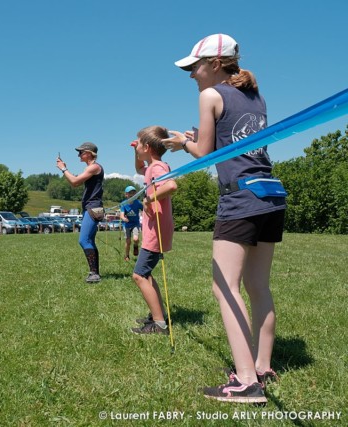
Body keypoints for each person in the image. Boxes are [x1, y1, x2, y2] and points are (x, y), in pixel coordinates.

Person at [164, 34, 286, 403]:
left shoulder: (209, 95)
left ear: (216, 63)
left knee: (224, 287)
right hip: (271, 194)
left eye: (194, 66)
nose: (190, 75)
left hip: (241, 197)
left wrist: (180, 143)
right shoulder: (255, 95)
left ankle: (247, 382)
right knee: (258, 286)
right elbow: (231, 142)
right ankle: (263, 367)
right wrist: (201, 139)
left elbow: (204, 152)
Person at [129, 126, 177, 335]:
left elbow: (171, 186)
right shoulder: (152, 166)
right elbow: (140, 168)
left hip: (156, 229)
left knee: (139, 276)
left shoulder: (157, 168)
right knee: (146, 274)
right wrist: (135, 151)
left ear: (147, 147)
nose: (137, 146)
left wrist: (149, 198)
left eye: (139, 143)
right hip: (154, 228)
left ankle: (159, 324)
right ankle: (157, 315)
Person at [56, 142, 104, 283]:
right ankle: (95, 273)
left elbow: (75, 182)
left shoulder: (95, 167)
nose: (79, 155)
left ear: (89, 153)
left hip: (92, 208)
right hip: (91, 208)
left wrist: (63, 169)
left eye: (81, 152)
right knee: (90, 241)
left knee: (84, 240)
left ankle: (94, 274)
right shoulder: (91, 168)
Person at [119, 185, 143, 261]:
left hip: (135, 223)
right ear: (126, 194)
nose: (132, 194)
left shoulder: (138, 203)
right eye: (130, 193)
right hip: (127, 225)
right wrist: (123, 218)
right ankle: (127, 255)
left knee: (135, 239)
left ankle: (135, 247)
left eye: (133, 192)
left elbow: (144, 209)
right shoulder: (123, 204)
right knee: (128, 241)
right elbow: (121, 215)